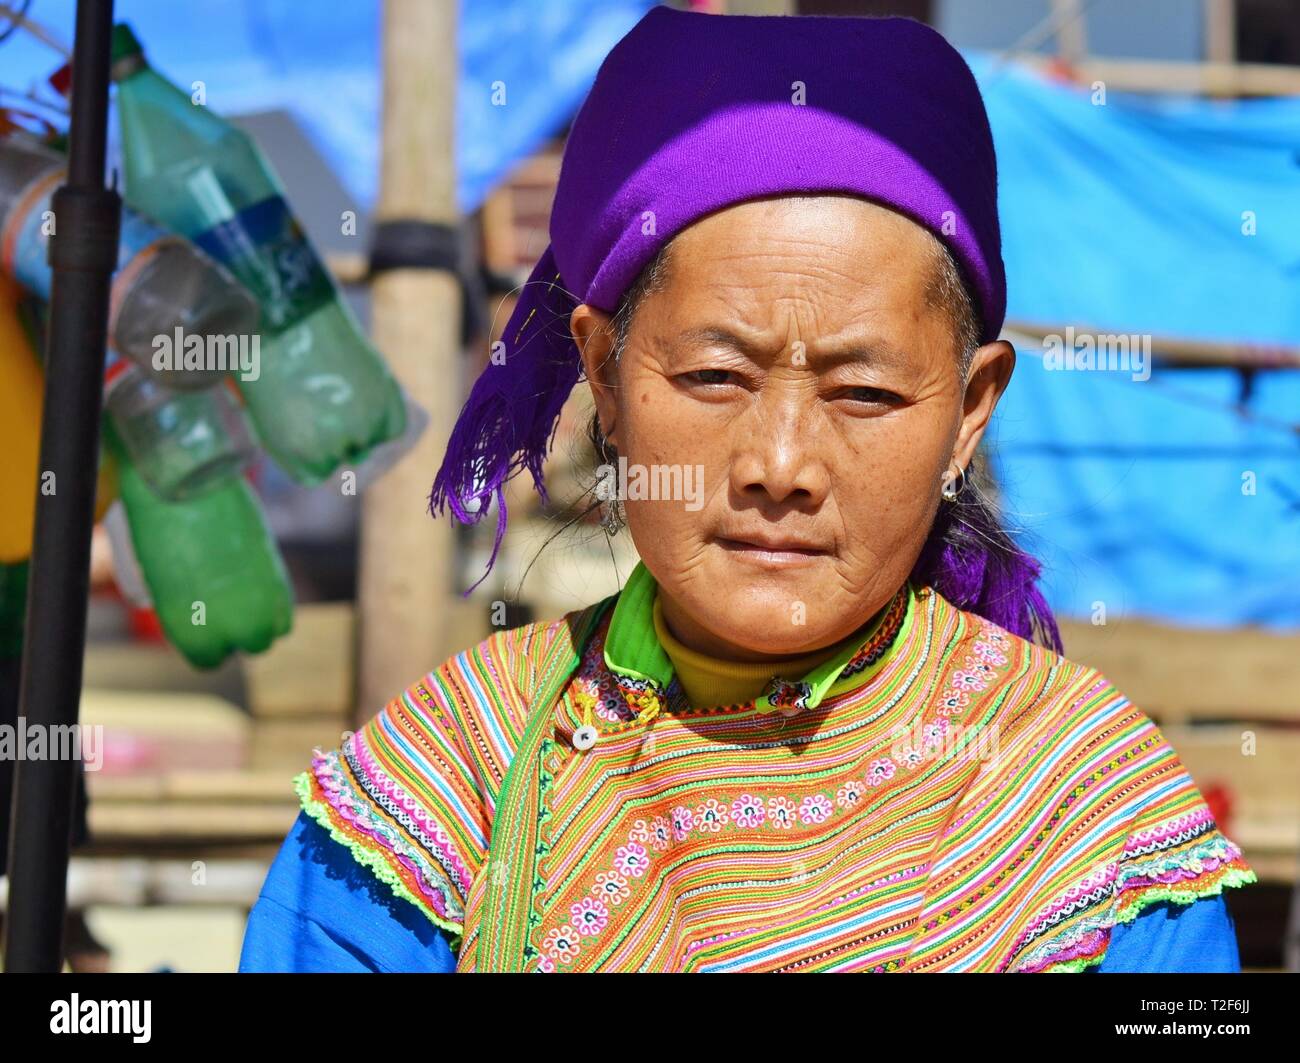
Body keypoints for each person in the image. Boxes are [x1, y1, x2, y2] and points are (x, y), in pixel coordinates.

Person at [240, 7, 1254, 973]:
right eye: (714, 376)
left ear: (971, 408)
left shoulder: (1089, 814)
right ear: (604, 374)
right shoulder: (445, 789)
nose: (781, 465)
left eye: (863, 391)